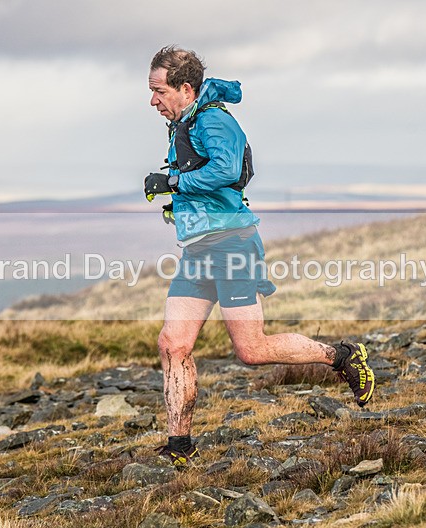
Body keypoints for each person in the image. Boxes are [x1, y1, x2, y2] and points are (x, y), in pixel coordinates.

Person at [144, 45, 375, 466]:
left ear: (186, 89)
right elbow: (208, 180)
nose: (153, 101)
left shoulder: (213, 119)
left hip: (233, 246)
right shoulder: (185, 122)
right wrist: (176, 201)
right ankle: (180, 446)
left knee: (251, 350)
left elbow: (228, 170)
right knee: (173, 344)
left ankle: (341, 356)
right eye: (152, 91)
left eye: (159, 91)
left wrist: (173, 182)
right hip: (198, 250)